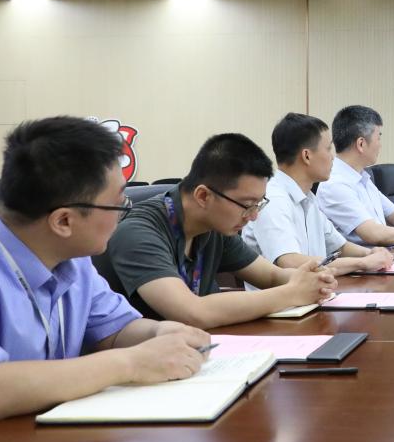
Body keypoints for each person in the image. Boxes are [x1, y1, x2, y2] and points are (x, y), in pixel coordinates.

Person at [0, 117, 211, 433]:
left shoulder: (70, 254)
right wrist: (130, 363)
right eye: (118, 205)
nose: (123, 214)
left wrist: (160, 333)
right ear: (63, 221)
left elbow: (114, 330)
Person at [98, 133, 337, 329]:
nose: (253, 216)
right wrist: (292, 293)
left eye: (258, 204)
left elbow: (272, 277)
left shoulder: (215, 227)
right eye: (247, 205)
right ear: (203, 196)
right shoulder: (138, 232)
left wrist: (308, 280)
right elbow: (192, 312)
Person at [243, 113, 394, 277]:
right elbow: (290, 262)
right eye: (328, 149)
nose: (332, 157)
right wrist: (362, 263)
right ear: (307, 156)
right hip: (290, 294)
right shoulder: (273, 200)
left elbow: (339, 246)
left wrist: (370, 253)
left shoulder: (308, 197)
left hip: (319, 289)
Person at [316, 105, 394, 246]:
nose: (380, 145)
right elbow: (374, 234)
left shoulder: (362, 177)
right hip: (364, 259)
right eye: (378, 138)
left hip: (384, 255)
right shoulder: (335, 184)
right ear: (361, 144)